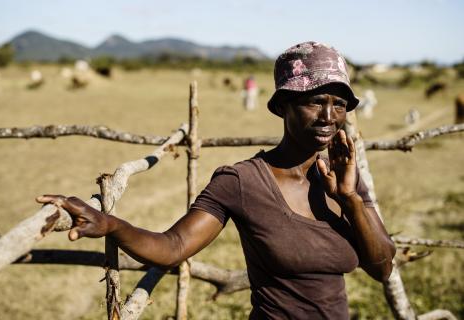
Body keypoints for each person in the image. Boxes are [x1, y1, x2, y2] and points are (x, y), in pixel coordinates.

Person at [37, 41, 395, 319]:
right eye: (316, 102)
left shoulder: (342, 178)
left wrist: (350, 198)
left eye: (340, 104)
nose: (329, 117)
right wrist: (110, 224)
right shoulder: (242, 181)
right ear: (283, 105)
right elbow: (173, 246)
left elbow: (382, 267)